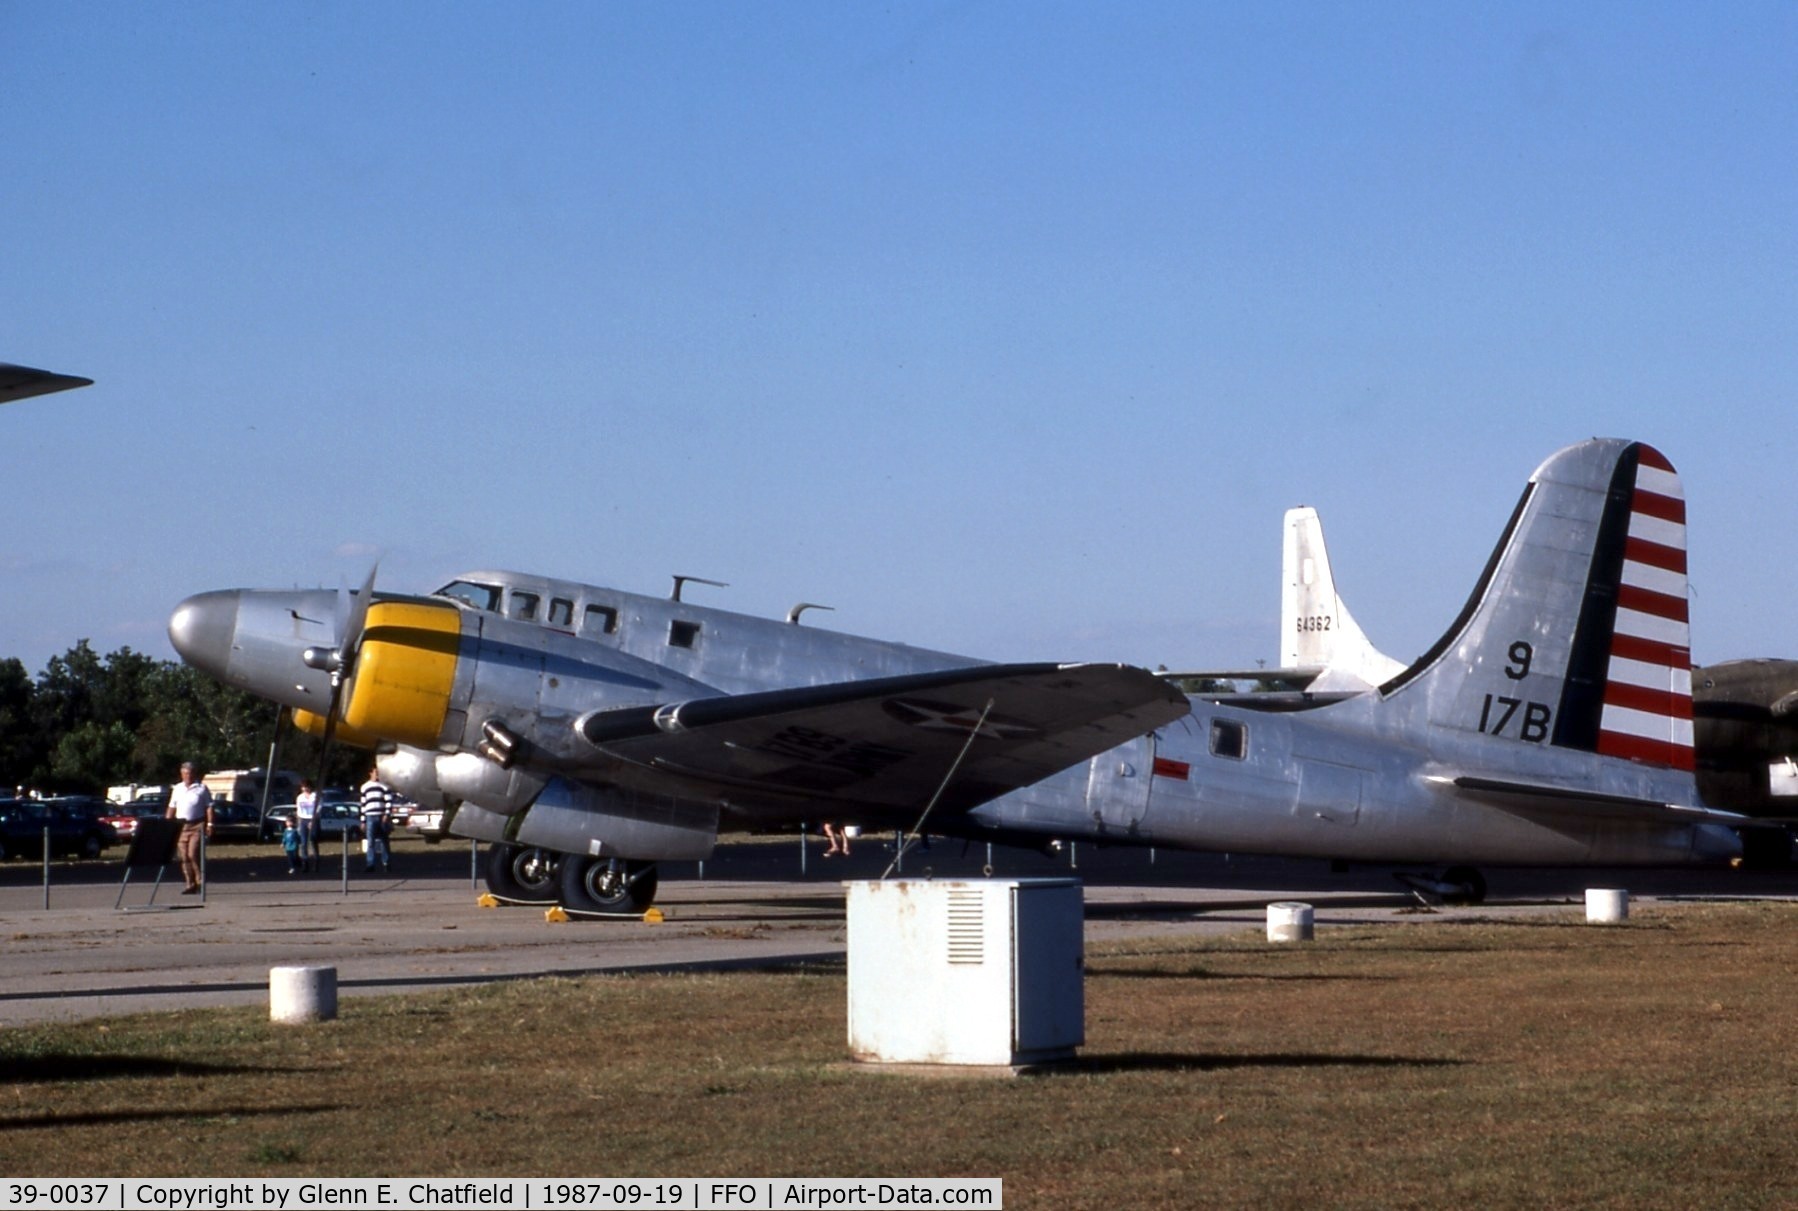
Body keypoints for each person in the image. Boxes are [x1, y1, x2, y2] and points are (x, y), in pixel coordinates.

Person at [164, 761, 213, 895]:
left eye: (190, 774)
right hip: (181, 826)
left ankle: (200, 880)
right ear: (181, 774)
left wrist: (210, 824)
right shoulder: (177, 788)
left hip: (197, 824)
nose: (187, 777)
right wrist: (167, 824)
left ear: (194, 774)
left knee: (193, 853)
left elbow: (209, 807)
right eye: (184, 774)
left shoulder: (201, 788)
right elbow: (172, 807)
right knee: (184, 856)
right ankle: (189, 883)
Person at [359, 766, 392, 873]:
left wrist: (386, 814)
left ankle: (386, 862)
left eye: (378, 772)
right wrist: (363, 820)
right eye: (375, 772)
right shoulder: (364, 787)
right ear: (370, 773)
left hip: (381, 815)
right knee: (370, 841)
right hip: (370, 816)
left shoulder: (384, 786)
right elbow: (363, 804)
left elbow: (389, 801)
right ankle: (370, 863)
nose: (377, 774)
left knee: (384, 840)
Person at [293, 778, 321, 872]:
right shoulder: (300, 797)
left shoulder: (315, 795)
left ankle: (316, 861)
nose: (305, 789)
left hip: (313, 818)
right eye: (303, 787)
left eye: (306, 787)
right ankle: (305, 863)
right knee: (303, 842)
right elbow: (298, 809)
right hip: (303, 819)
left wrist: (313, 819)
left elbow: (319, 807)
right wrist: (299, 820)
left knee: (313, 839)